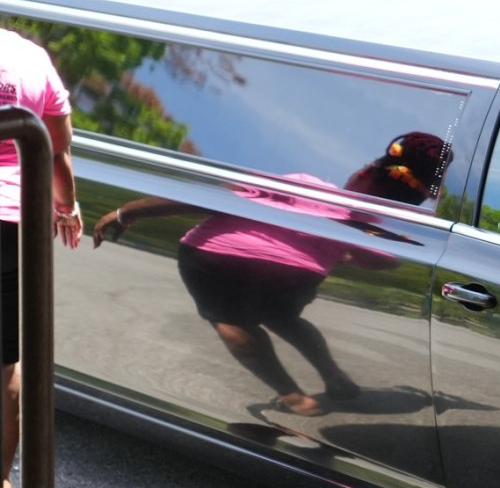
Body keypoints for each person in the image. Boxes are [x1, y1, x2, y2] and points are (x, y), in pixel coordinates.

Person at [91, 133, 449, 418]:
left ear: (366, 172)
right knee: (285, 319)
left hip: (219, 259)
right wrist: (341, 252)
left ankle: (294, 396)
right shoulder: (367, 228)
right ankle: (335, 377)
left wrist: (129, 211)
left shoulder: (304, 184)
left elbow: (212, 199)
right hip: (293, 279)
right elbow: (382, 261)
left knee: (231, 320)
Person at [0, 0, 84, 488]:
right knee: (5, 360)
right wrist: (66, 206)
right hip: (13, 222)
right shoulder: (29, 57)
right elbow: (56, 148)